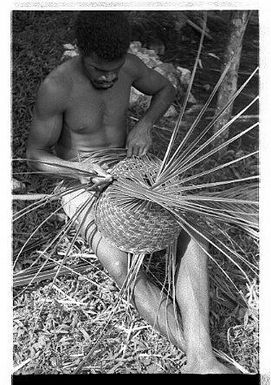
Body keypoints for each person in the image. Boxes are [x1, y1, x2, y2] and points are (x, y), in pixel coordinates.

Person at [26, 11, 234, 374]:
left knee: (189, 236)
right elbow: (35, 157)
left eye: (115, 68)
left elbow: (166, 88)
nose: (108, 77)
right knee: (121, 264)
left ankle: (202, 360)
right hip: (78, 182)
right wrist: (78, 169)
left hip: (127, 172)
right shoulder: (57, 87)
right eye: (98, 69)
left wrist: (145, 125)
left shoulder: (131, 67)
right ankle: (202, 359)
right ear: (79, 51)